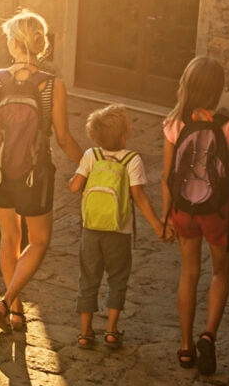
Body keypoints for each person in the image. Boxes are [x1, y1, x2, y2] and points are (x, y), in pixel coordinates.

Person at [0, 9, 82, 334]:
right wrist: (89, 163)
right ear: (40, 45)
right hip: (35, 177)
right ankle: (6, 302)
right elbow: (63, 138)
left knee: (9, 238)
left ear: (13, 43)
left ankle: (16, 311)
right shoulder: (52, 85)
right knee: (39, 241)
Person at [162, 57, 229, 375]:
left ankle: (186, 347)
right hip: (218, 212)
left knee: (189, 273)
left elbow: (167, 177)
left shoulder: (174, 124)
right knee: (220, 273)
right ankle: (208, 335)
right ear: (218, 89)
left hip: (184, 209)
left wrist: (165, 217)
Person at [68, 104, 166, 350]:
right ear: (124, 136)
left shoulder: (91, 155)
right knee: (117, 279)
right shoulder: (132, 160)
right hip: (119, 232)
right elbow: (139, 197)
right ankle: (111, 331)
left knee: (88, 278)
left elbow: (74, 186)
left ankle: (85, 332)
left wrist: (77, 178)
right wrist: (158, 225)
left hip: (91, 230)